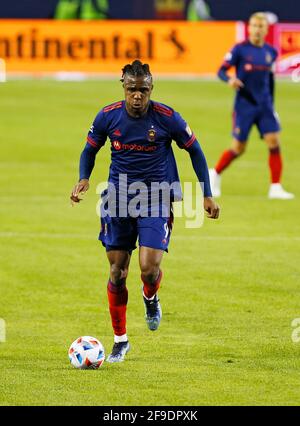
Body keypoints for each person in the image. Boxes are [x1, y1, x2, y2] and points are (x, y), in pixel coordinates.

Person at [70, 60, 220, 363]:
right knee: (117, 271)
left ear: (151, 88)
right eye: (131, 89)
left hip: (157, 198)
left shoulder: (167, 117)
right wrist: (84, 177)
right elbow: (90, 149)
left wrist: (207, 194)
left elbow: (195, 150)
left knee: (149, 268)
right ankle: (120, 341)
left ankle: (151, 297)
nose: (137, 95)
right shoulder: (107, 116)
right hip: (118, 199)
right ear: (123, 87)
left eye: (143, 90)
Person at [209, 12, 294, 200]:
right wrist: (230, 79)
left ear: (266, 30)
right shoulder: (239, 49)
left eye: (260, 26)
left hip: (265, 106)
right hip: (244, 106)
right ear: (249, 28)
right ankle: (214, 173)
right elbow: (221, 71)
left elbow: (270, 81)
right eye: (254, 26)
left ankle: (275, 187)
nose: (256, 29)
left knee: (274, 142)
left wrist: (272, 106)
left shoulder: (271, 52)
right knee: (238, 148)